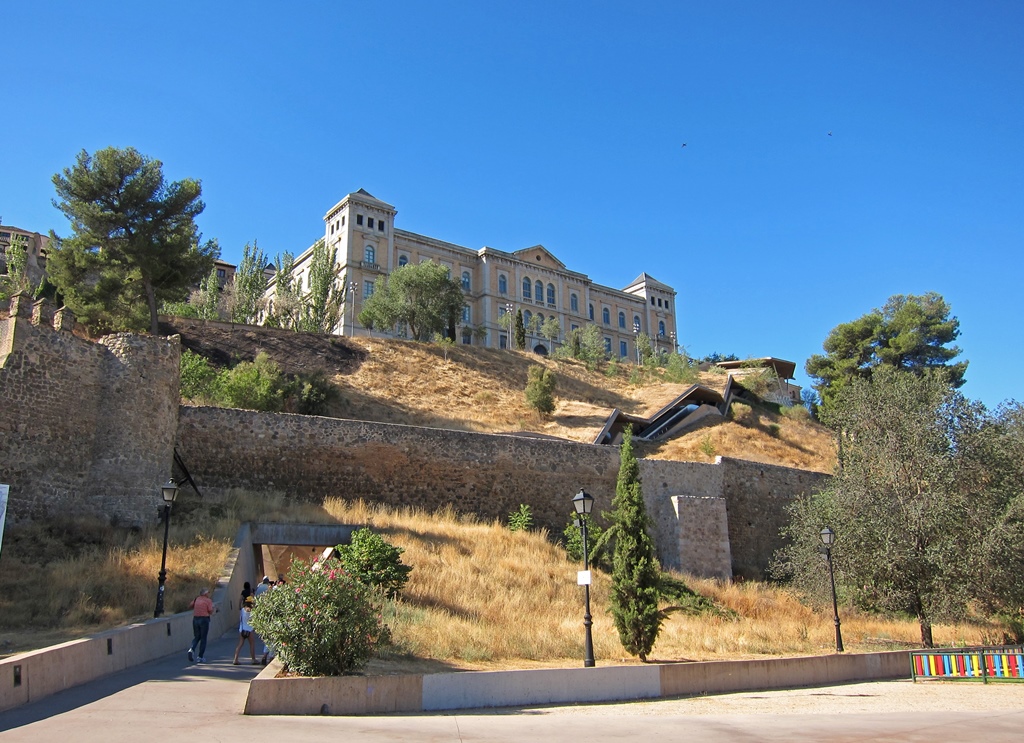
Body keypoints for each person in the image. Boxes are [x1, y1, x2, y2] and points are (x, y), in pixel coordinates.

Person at [187, 587, 217, 663]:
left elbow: (190, 605)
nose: (209, 594)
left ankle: (191, 649)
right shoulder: (208, 601)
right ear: (205, 593)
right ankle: (200, 656)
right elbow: (210, 610)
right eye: (208, 593)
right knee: (203, 638)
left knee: (197, 637)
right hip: (204, 619)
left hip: (195, 619)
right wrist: (214, 609)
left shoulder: (197, 599)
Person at [232, 597, 257, 665]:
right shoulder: (252, 611)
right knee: (252, 644)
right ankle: (253, 659)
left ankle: (235, 659)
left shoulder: (242, 610)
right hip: (249, 629)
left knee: (240, 644)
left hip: (242, 629)